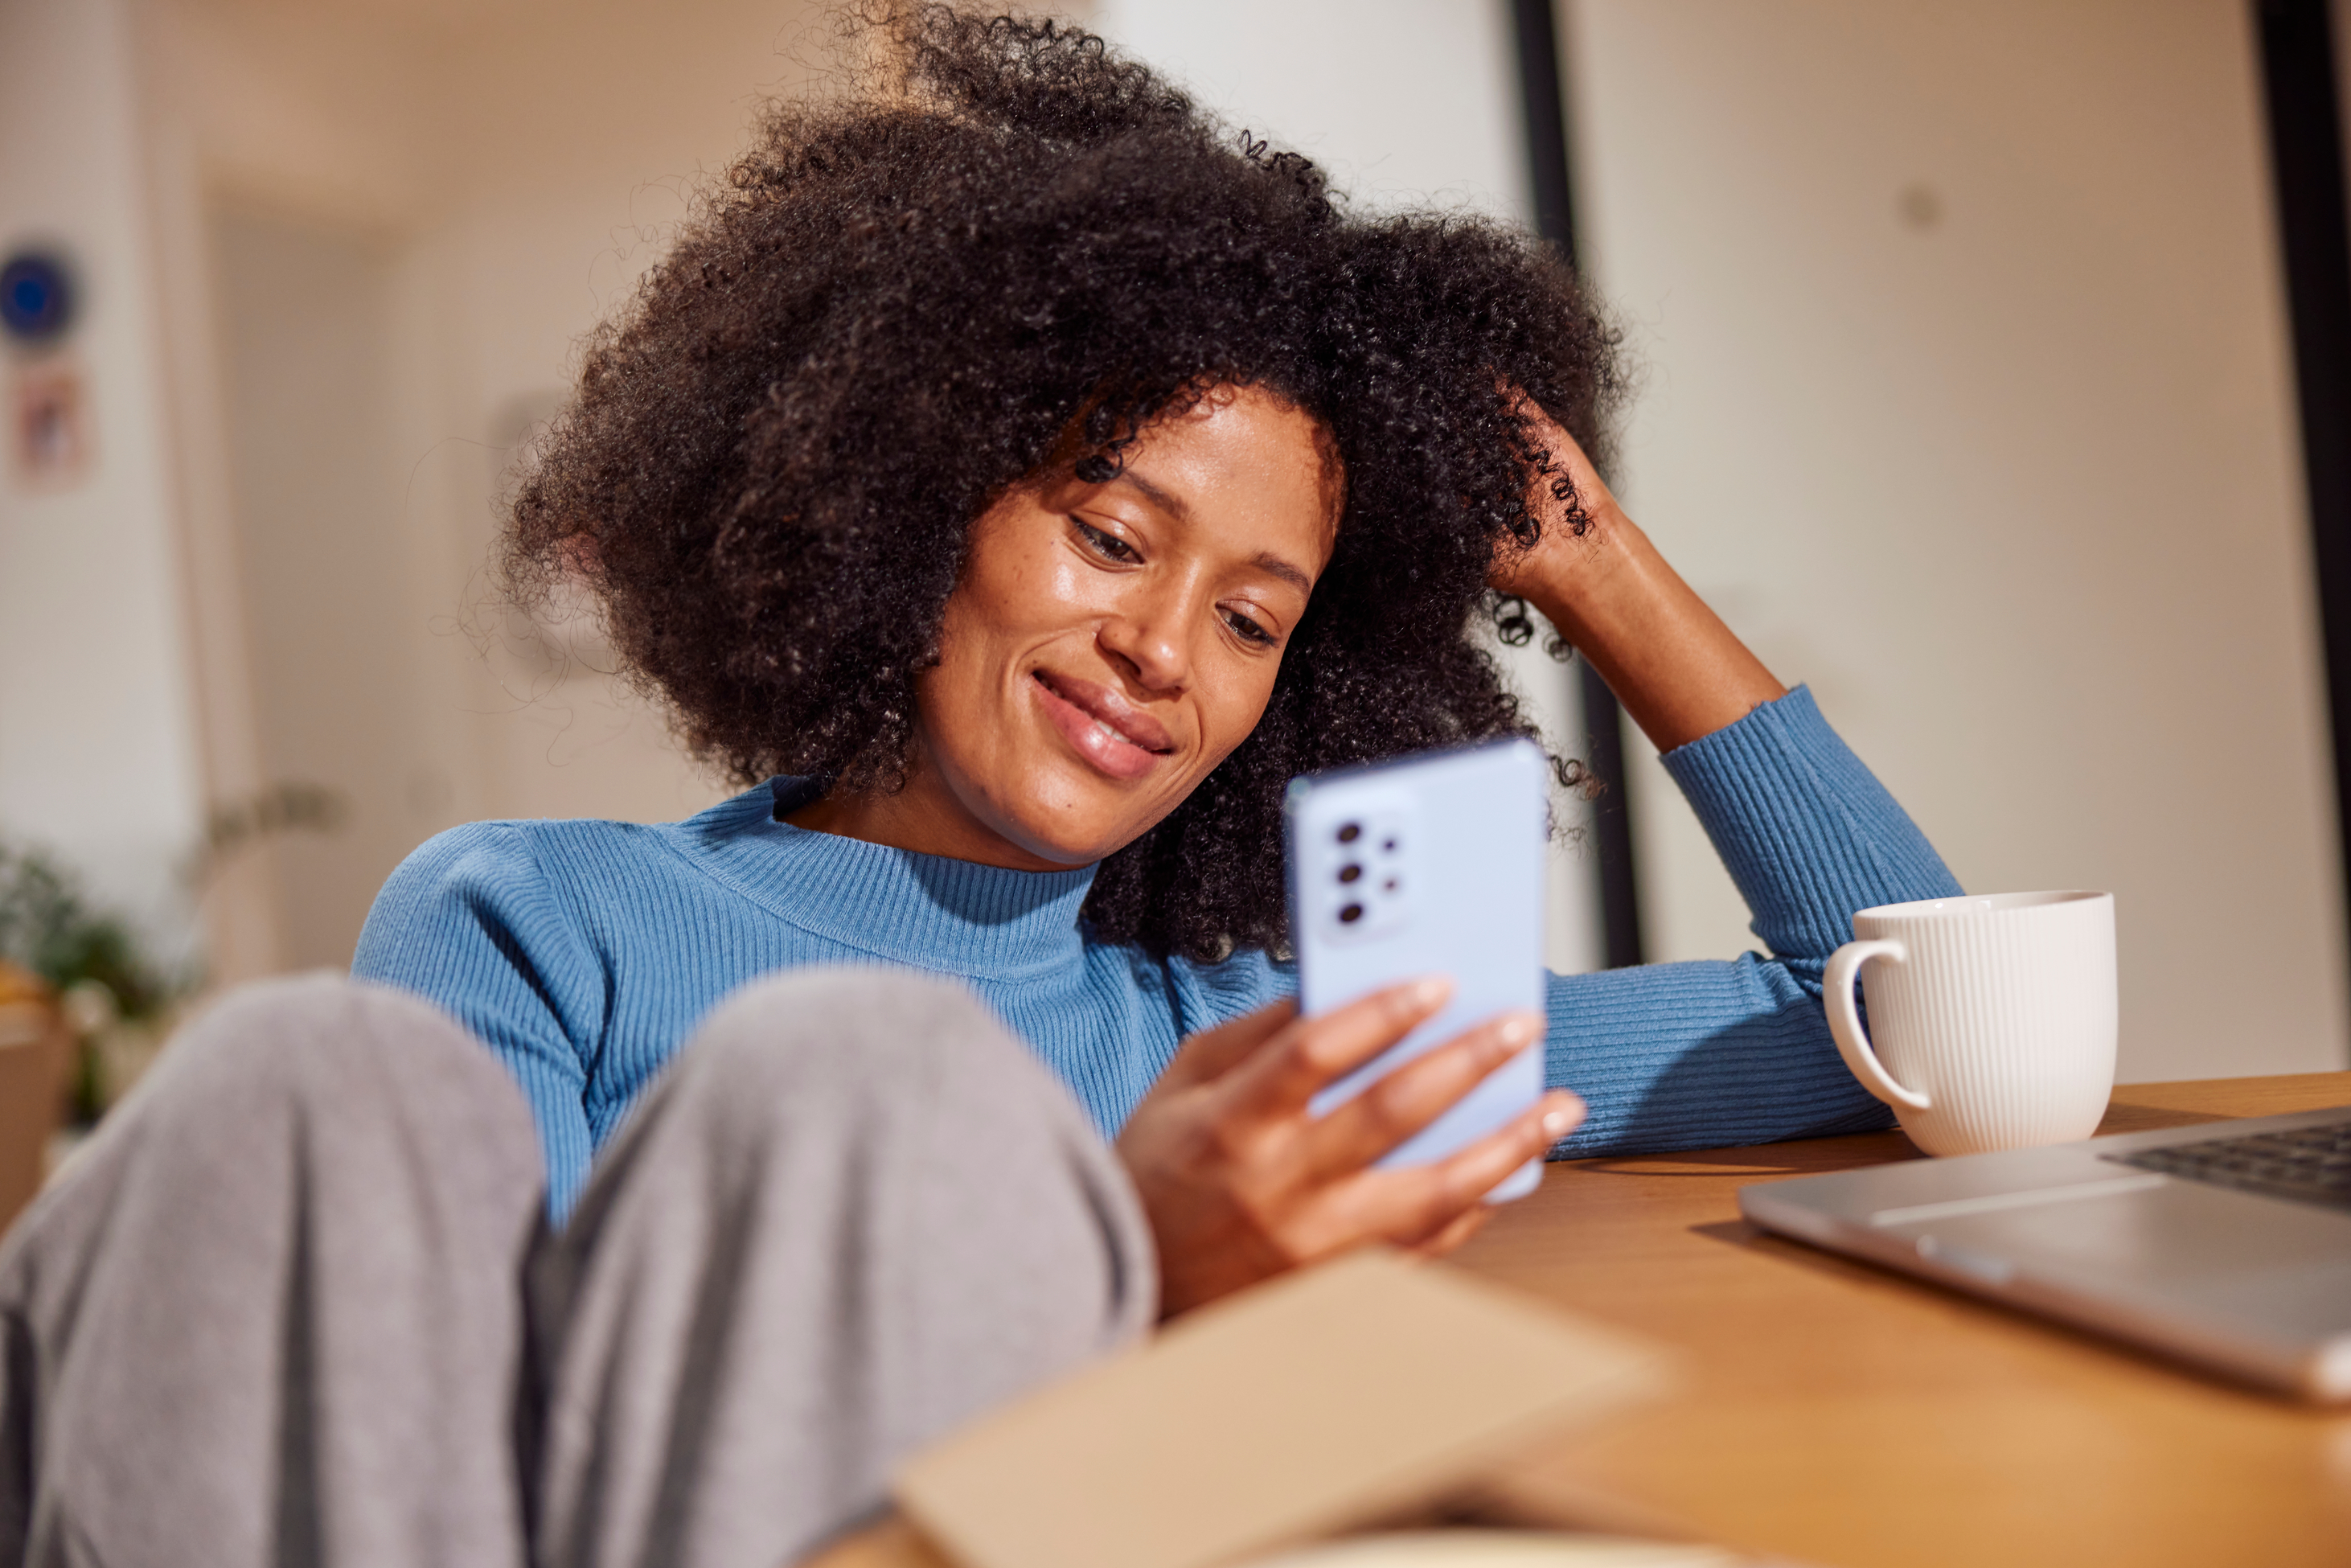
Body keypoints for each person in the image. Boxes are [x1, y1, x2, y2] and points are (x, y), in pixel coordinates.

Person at [0, 9, 1961, 1566]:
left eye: (1257, 617)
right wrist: (1122, 1258)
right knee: (293, 1081)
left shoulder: (1248, 1041)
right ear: (919, 485)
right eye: (1111, 534)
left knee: (866, 1082)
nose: (1167, 654)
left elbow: (1900, 1020)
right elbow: (472, 1477)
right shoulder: (540, 920)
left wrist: (1597, 567)